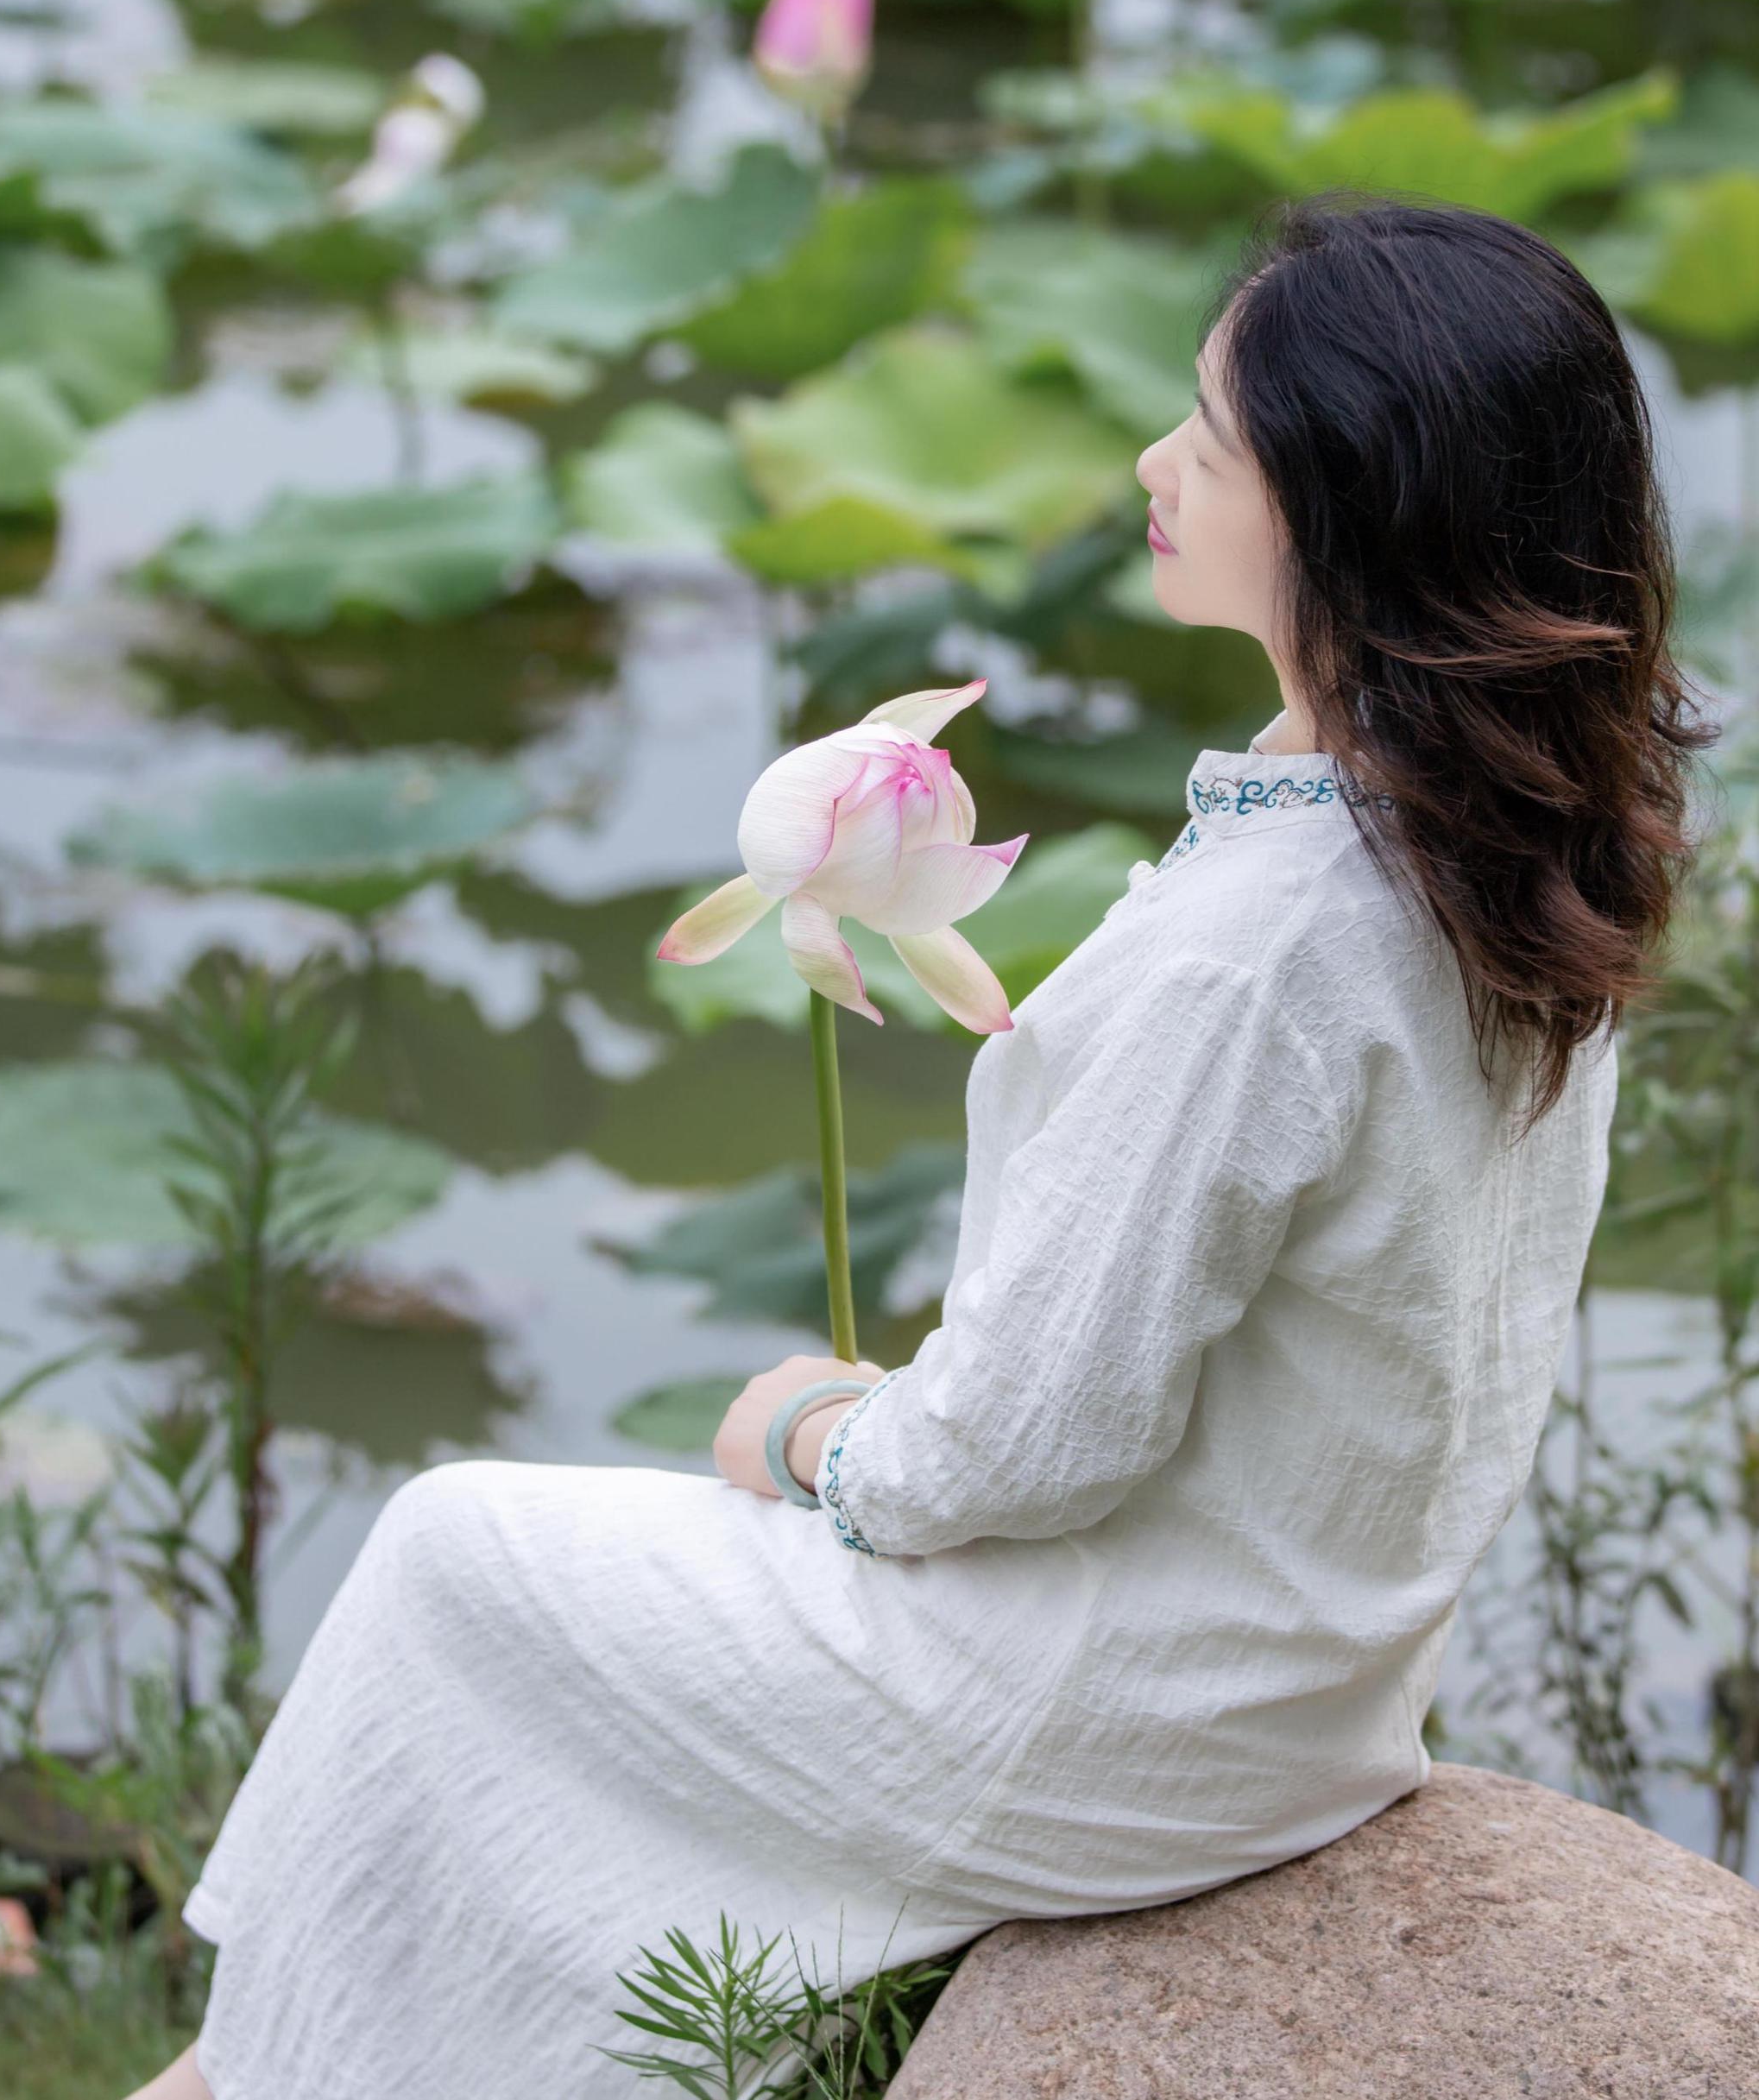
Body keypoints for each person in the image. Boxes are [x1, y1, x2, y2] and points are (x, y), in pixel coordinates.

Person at [131, 193, 1712, 2100]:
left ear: (1344, 513)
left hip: (1112, 1715)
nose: (1152, 465)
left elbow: (1028, 1453)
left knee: (454, 1553)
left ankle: (264, 2080)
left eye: (1206, 442)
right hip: (1314, 1690)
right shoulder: (1525, 855)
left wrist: (809, 1432)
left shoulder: (1264, 947)